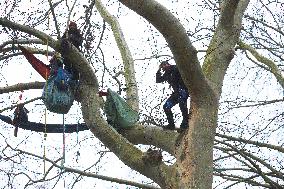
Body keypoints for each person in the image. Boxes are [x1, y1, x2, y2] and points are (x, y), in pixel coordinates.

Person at [156, 61, 189, 131]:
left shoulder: (176, 68)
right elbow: (158, 80)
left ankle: (185, 123)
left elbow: (185, 69)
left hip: (183, 90)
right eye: (162, 66)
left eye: (165, 65)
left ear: (169, 64)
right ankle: (171, 125)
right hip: (176, 93)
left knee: (182, 104)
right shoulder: (166, 74)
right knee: (166, 107)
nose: (164, 67)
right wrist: (158, 71)